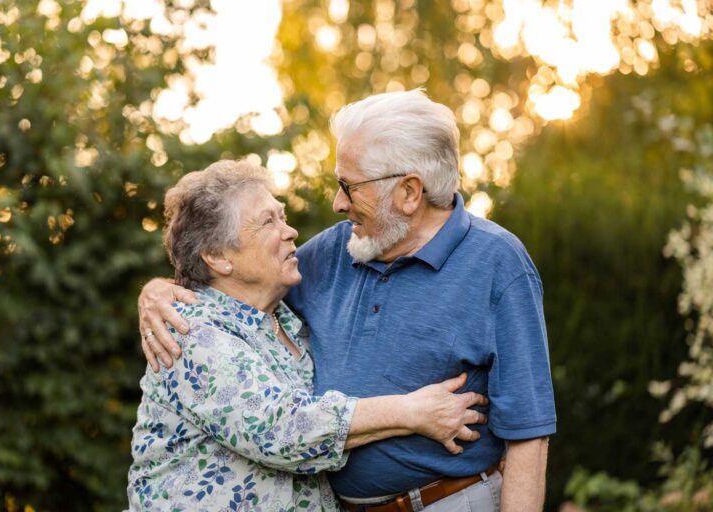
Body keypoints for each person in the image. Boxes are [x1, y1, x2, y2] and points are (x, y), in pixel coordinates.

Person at [139, 90, 556, 511]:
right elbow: (236, 283)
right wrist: (156, 292)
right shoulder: (335, 253)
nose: (337, 203)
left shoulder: (497, 263)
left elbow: (529, 434)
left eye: (349, 186)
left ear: (410, 192)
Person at [126, 160, 490, 511]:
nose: (290, 231)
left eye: (282, 215)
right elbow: (278, 430)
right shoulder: (191, 331)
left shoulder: (288, 317)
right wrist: (412, 411)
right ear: (218, 257)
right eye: (267, 222)